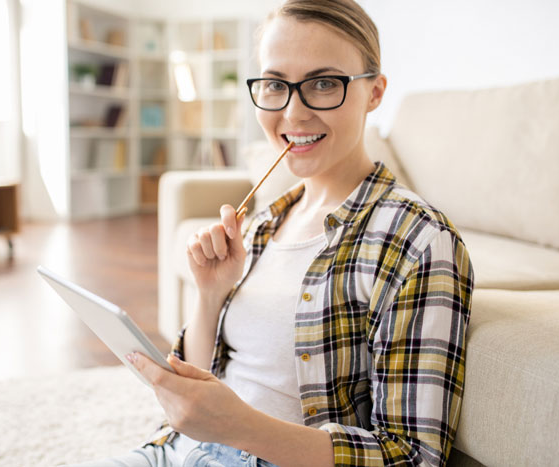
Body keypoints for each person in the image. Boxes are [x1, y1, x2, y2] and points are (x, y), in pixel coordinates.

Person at [75, 0, 474, 465]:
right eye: (274, 85)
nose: (293, 112)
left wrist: (240, 427)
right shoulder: (264, 223)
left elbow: (413, 457)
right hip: (177, 450)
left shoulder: (417, 239)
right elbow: (199, 382)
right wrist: (210, 295)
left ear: (374, 92)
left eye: (324, 83)